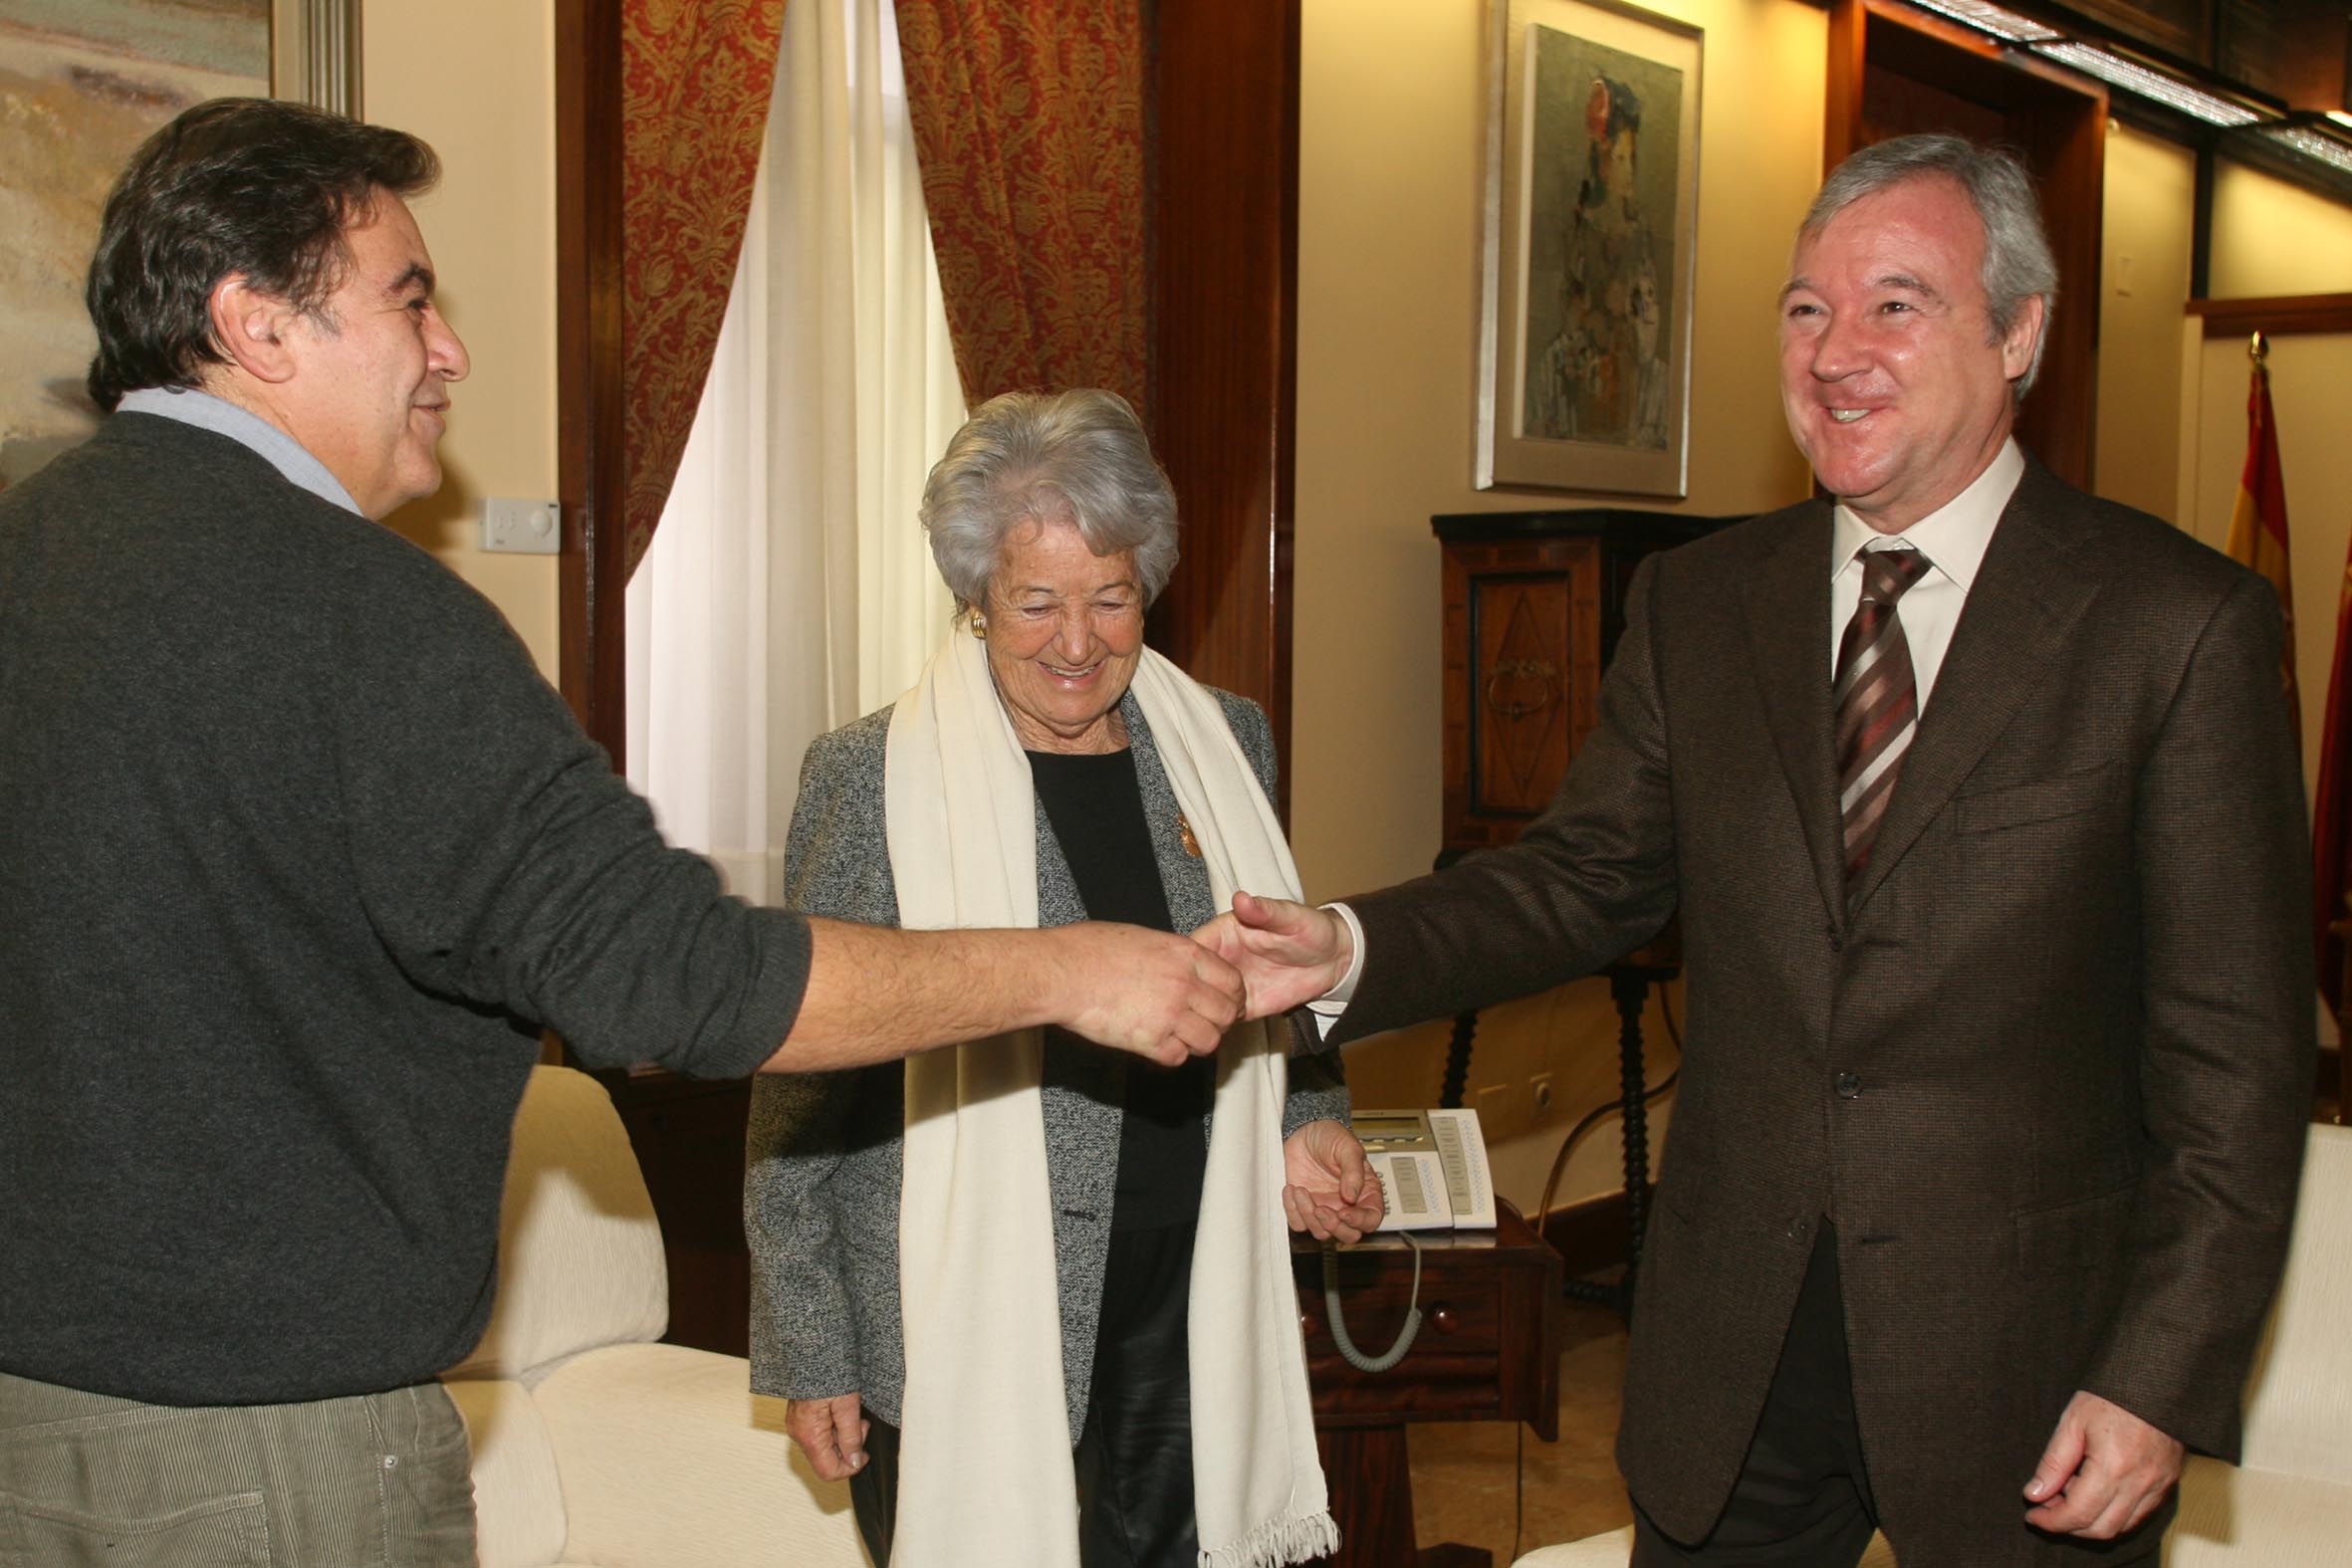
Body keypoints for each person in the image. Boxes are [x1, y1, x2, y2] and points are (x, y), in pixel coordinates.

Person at [0, 100, 1247, 1567]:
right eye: (409, 296)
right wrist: (1068, 970)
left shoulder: (30, 549)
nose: (450, 345)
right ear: (257, 324)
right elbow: (677, 978)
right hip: (265, 1449)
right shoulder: (366, 614)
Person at [1200, 133, 2313, 1567]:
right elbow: (1580, 876)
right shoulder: (1698, 602)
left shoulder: (2175, 626)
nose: (1835, 352)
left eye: (1894, 303)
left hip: (2028, 1369)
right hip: (1734, 1349)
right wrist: (1345, 948)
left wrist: (2157, 1372)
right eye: (1805, 308)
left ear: (2019, 330)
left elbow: (2235, 1065)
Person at [747, 389, 1383, 1568]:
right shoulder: (868, 777)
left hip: (1194, 1283)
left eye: (1112, 597)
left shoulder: (1224, 742)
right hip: (961, 1309)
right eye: (1037, 602)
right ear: (976, 601)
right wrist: (812, 1345)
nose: (1078, 641)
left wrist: (1306, 1117)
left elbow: (1273, 967)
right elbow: (803, 1080)